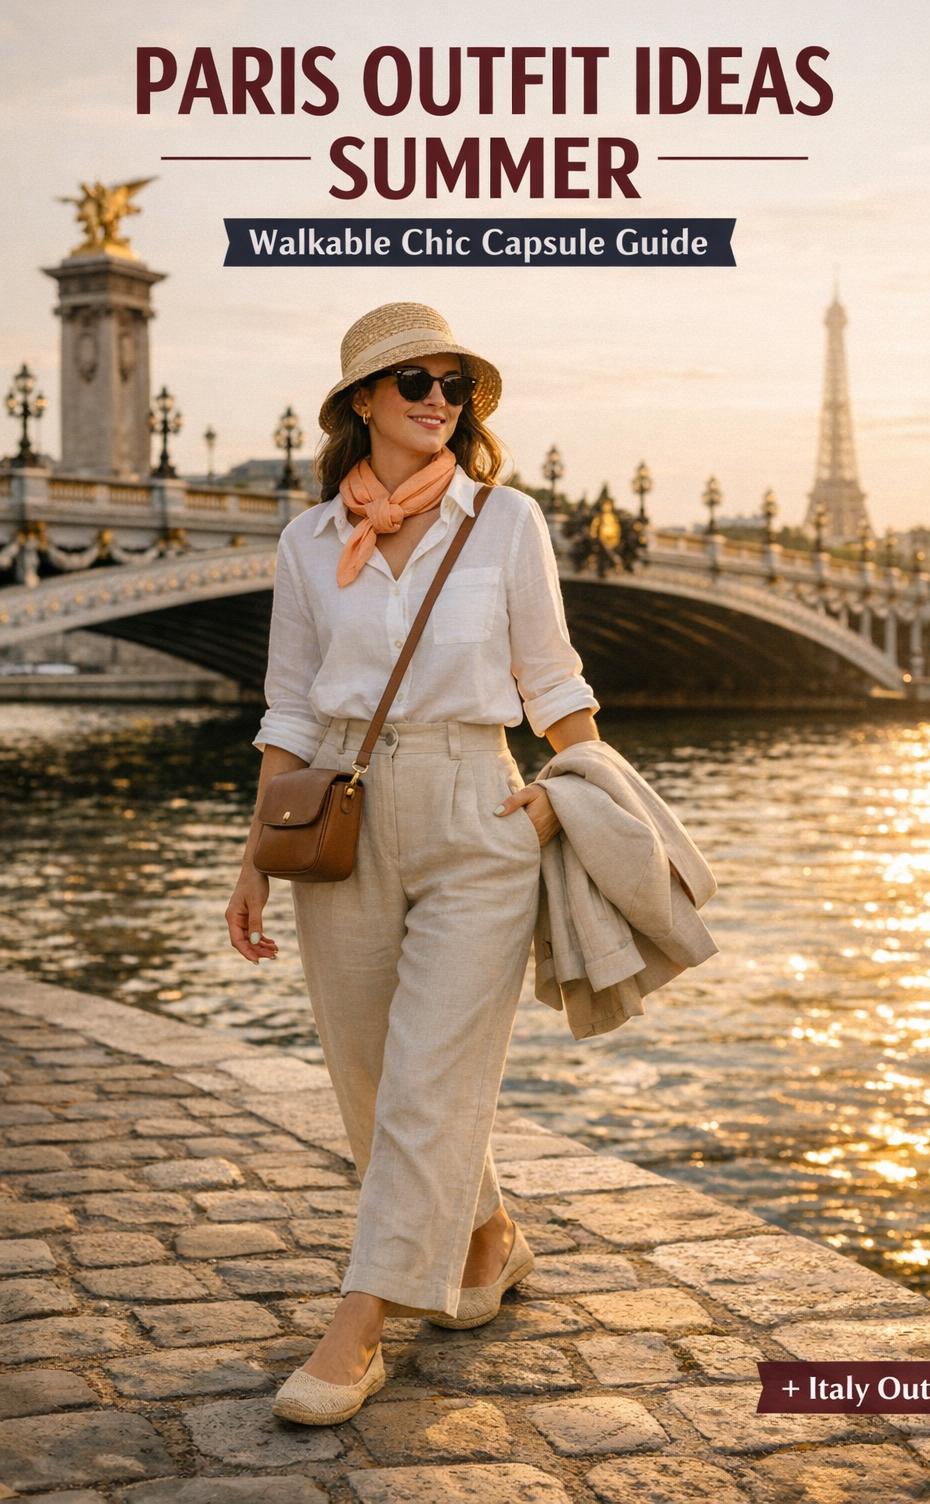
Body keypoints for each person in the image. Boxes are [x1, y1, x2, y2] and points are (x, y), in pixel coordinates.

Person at [226, 301, 600, 1425]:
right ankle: (487, 1239)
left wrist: (571, 798)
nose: (440, 400)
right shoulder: (305, 542)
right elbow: (288, 704)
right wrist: (253, 853)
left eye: (455, 386)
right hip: (336, 809)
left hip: (476, 809)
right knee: (371, 1078)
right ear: (359, 405)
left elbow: (554, 681)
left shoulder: (506, 521)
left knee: (435, 1072)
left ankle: (360, 1324)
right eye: (414, 383)